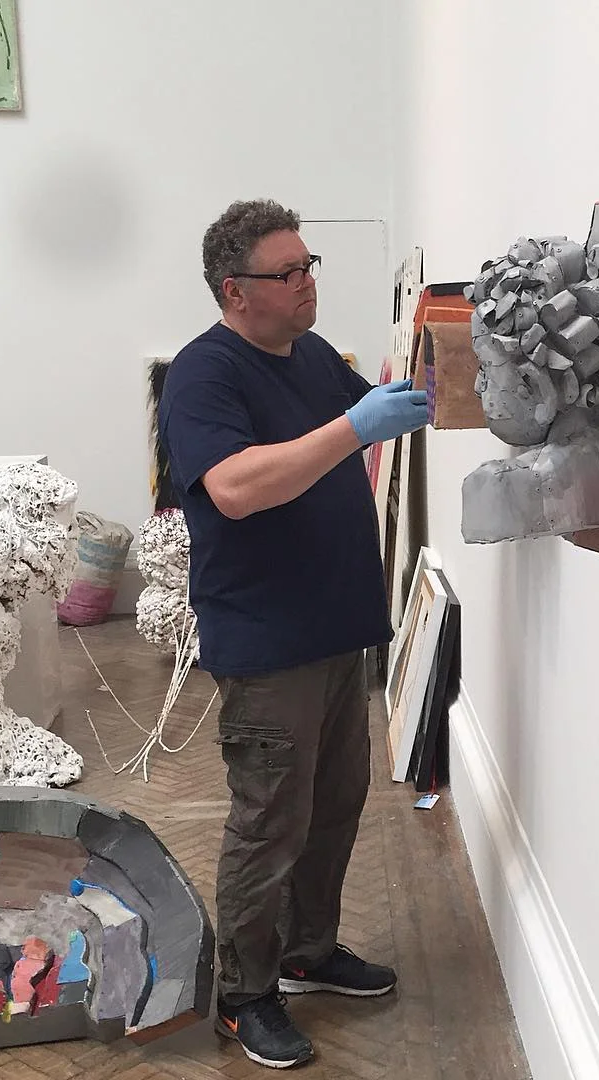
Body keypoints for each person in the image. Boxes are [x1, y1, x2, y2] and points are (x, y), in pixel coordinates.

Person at [158, 198, 427, 1070]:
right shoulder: (204, 375)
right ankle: (244, 996)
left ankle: (307, 953)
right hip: (268, 642)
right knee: (269, 823)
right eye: (288, 272)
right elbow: (235, 488)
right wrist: (355, 427)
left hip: (336, 629)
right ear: (235, 291)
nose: (308, 282)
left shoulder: (309, 355)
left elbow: (361, 418)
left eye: (310, 265)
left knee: (335, 805)